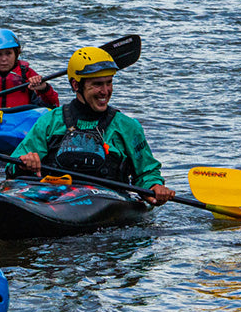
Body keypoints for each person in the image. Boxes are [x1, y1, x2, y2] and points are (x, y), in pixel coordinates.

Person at [11, 46, 175, 206]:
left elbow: (146, 172)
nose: (105, 91)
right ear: (76, 85)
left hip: (105, 205)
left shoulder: (127, 127)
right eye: (97, 84)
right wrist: (23, 163)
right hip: (55, 201)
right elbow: (11, 167)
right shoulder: (50, 121)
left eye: (109, 83)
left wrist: (154, 186)